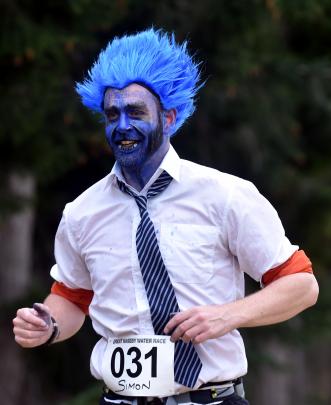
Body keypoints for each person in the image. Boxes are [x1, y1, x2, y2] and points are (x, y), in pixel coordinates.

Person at [13, 28, 319, 405]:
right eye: (113, 115)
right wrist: (48, 325)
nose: (122, 125)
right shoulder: (82, 213)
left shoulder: (225, 195)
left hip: (212, 398)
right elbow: (71, 298)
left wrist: (226, 316)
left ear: (169, 117)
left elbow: (301, 286)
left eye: (136, 112)